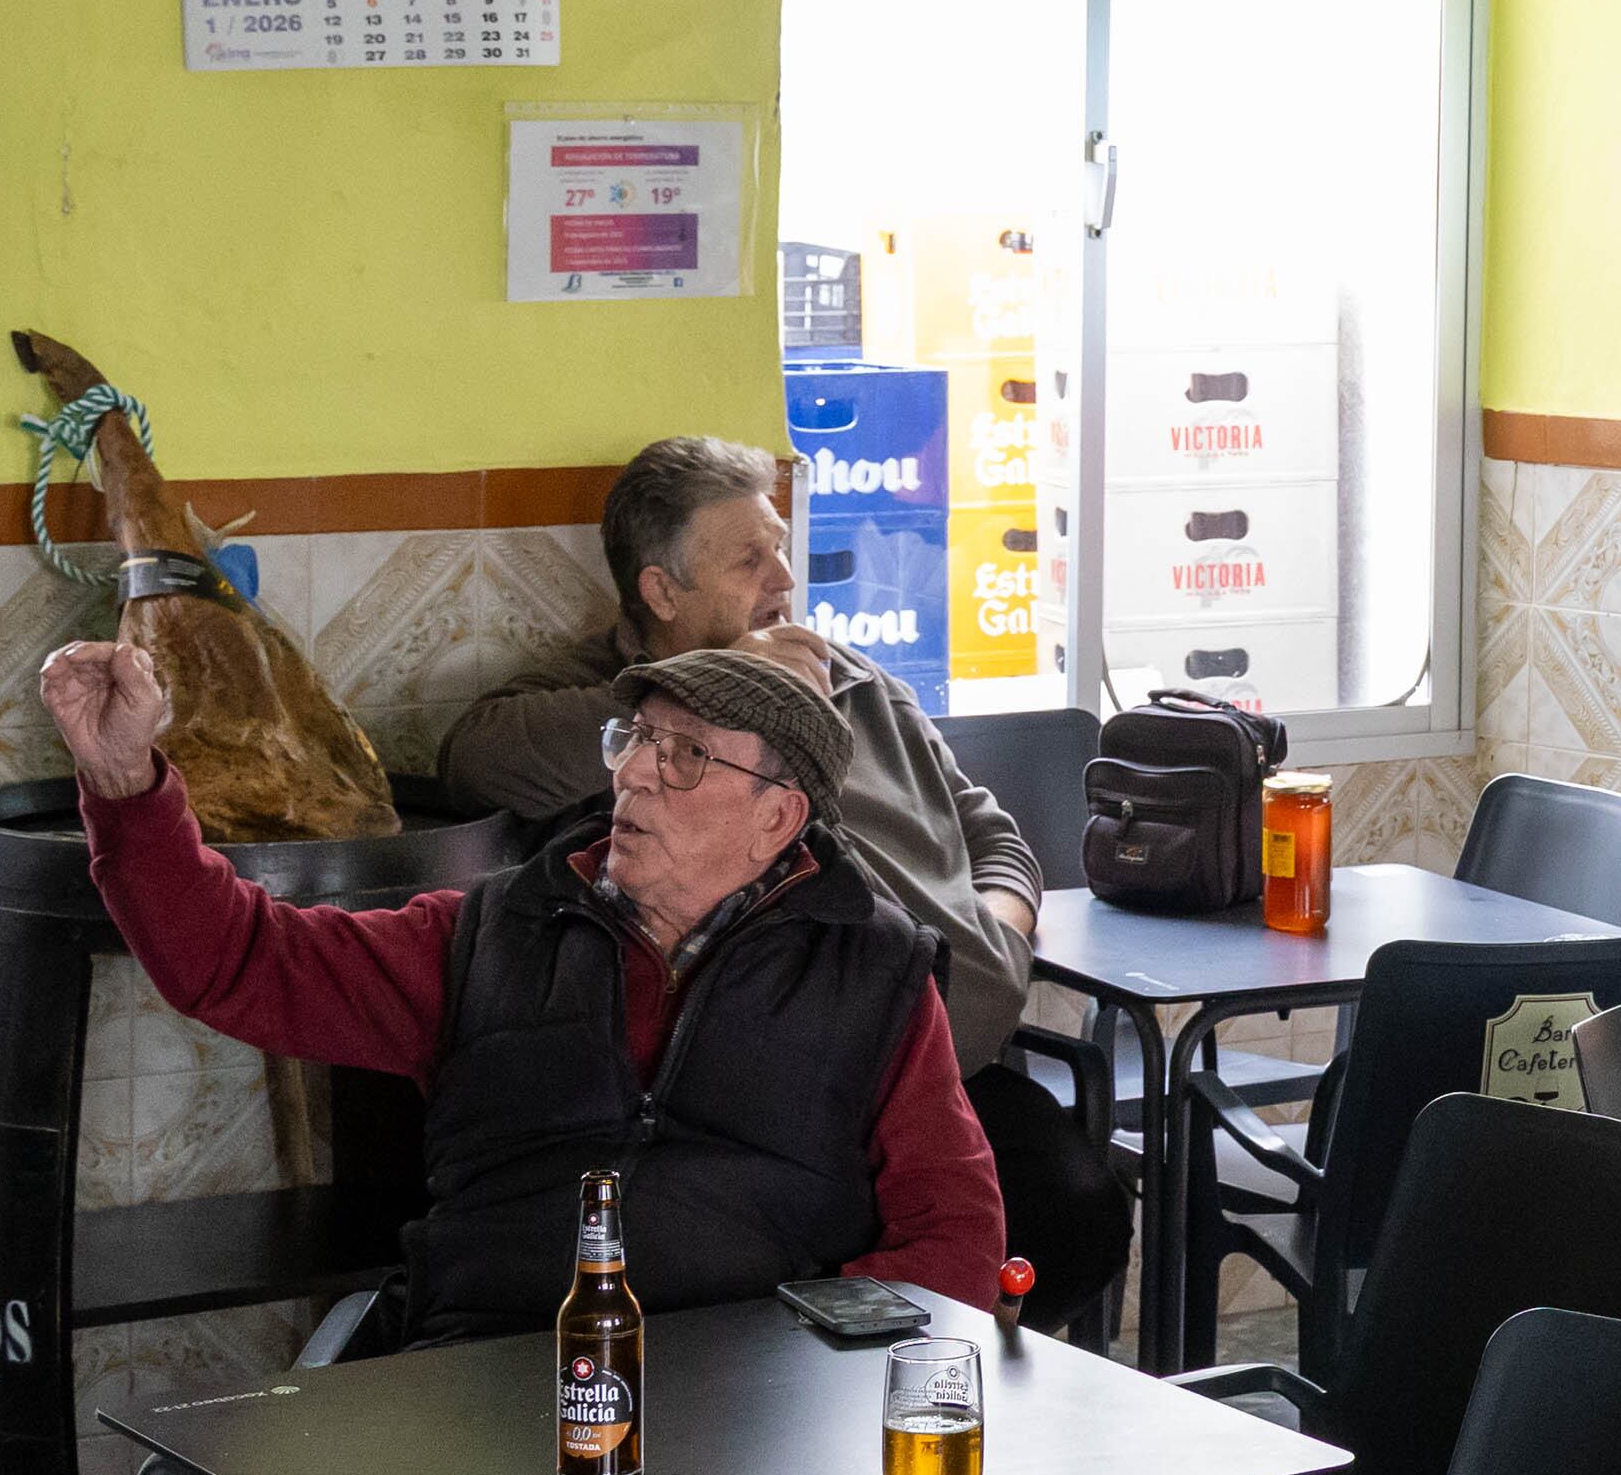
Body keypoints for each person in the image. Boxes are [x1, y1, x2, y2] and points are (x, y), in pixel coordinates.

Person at [41, 632, 1004, 1475]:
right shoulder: (491, 931)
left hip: (752, 1421)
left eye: (684, 756)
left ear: (778, 815)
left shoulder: (872, 976)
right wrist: (129, 781)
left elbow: (953, 1235)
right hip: (489, 1394)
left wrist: (807, 1372)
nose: (638, 778)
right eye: (633, 744)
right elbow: (234, 964)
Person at [443, 436, 1128, 1340]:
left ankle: (957, 1411)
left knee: (1078, 1210)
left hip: (951, 1058)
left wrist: (996, 928)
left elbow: (988, 827)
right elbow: (471, 760)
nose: (782, 579)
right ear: (661, 591)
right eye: (748, 557)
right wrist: (735, 682)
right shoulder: (608, 708)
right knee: (827, 1258)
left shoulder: (855, 677)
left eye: (779, 549)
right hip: (768, 1099)